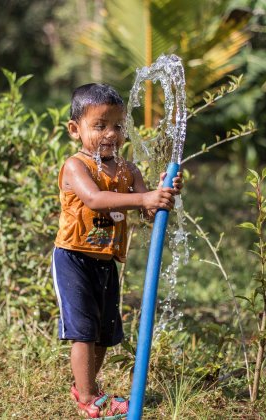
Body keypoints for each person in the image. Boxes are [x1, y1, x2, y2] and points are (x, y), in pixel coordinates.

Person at [52, 83, 182, 418]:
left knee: (104, 332)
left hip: (107, 261)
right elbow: (95, 199)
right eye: (99, 126)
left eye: (118, 126)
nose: (111, 133)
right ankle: (85, 397)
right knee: (83, 331)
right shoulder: (75, 166)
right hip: (74, 258)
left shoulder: (128, 170)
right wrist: (144, 198)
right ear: (74, 129)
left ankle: (91, 390)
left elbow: (149, 212)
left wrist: (163, 194)